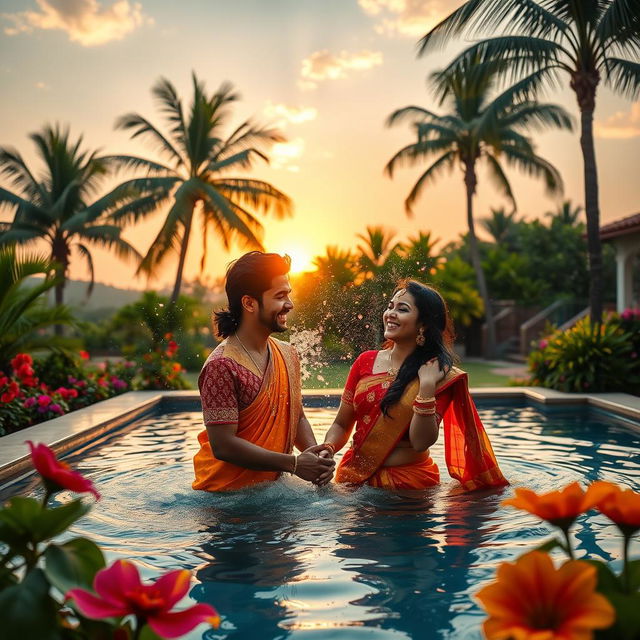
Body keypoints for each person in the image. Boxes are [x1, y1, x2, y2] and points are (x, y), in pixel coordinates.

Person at [322, 280, 508, 491]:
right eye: (390, 306)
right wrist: (329, 447)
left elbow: (420, 442)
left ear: (424, 324)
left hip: (410, 488)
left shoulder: (437, 373)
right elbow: (341, 424)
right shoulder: (364, 362)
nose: (390, 313)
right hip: (354, 479)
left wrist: (426, 386)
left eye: (402, 309)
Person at [192, 251, 335, 492]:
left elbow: (297, 416)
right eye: (280, 296)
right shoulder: (222, 366)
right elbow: (223, 445)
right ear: (249, 303)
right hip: (227, 503)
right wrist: (295, 464)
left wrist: (316, 458)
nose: (289, 304)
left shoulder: (287, 354)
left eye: (288, 294)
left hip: (273, 494)